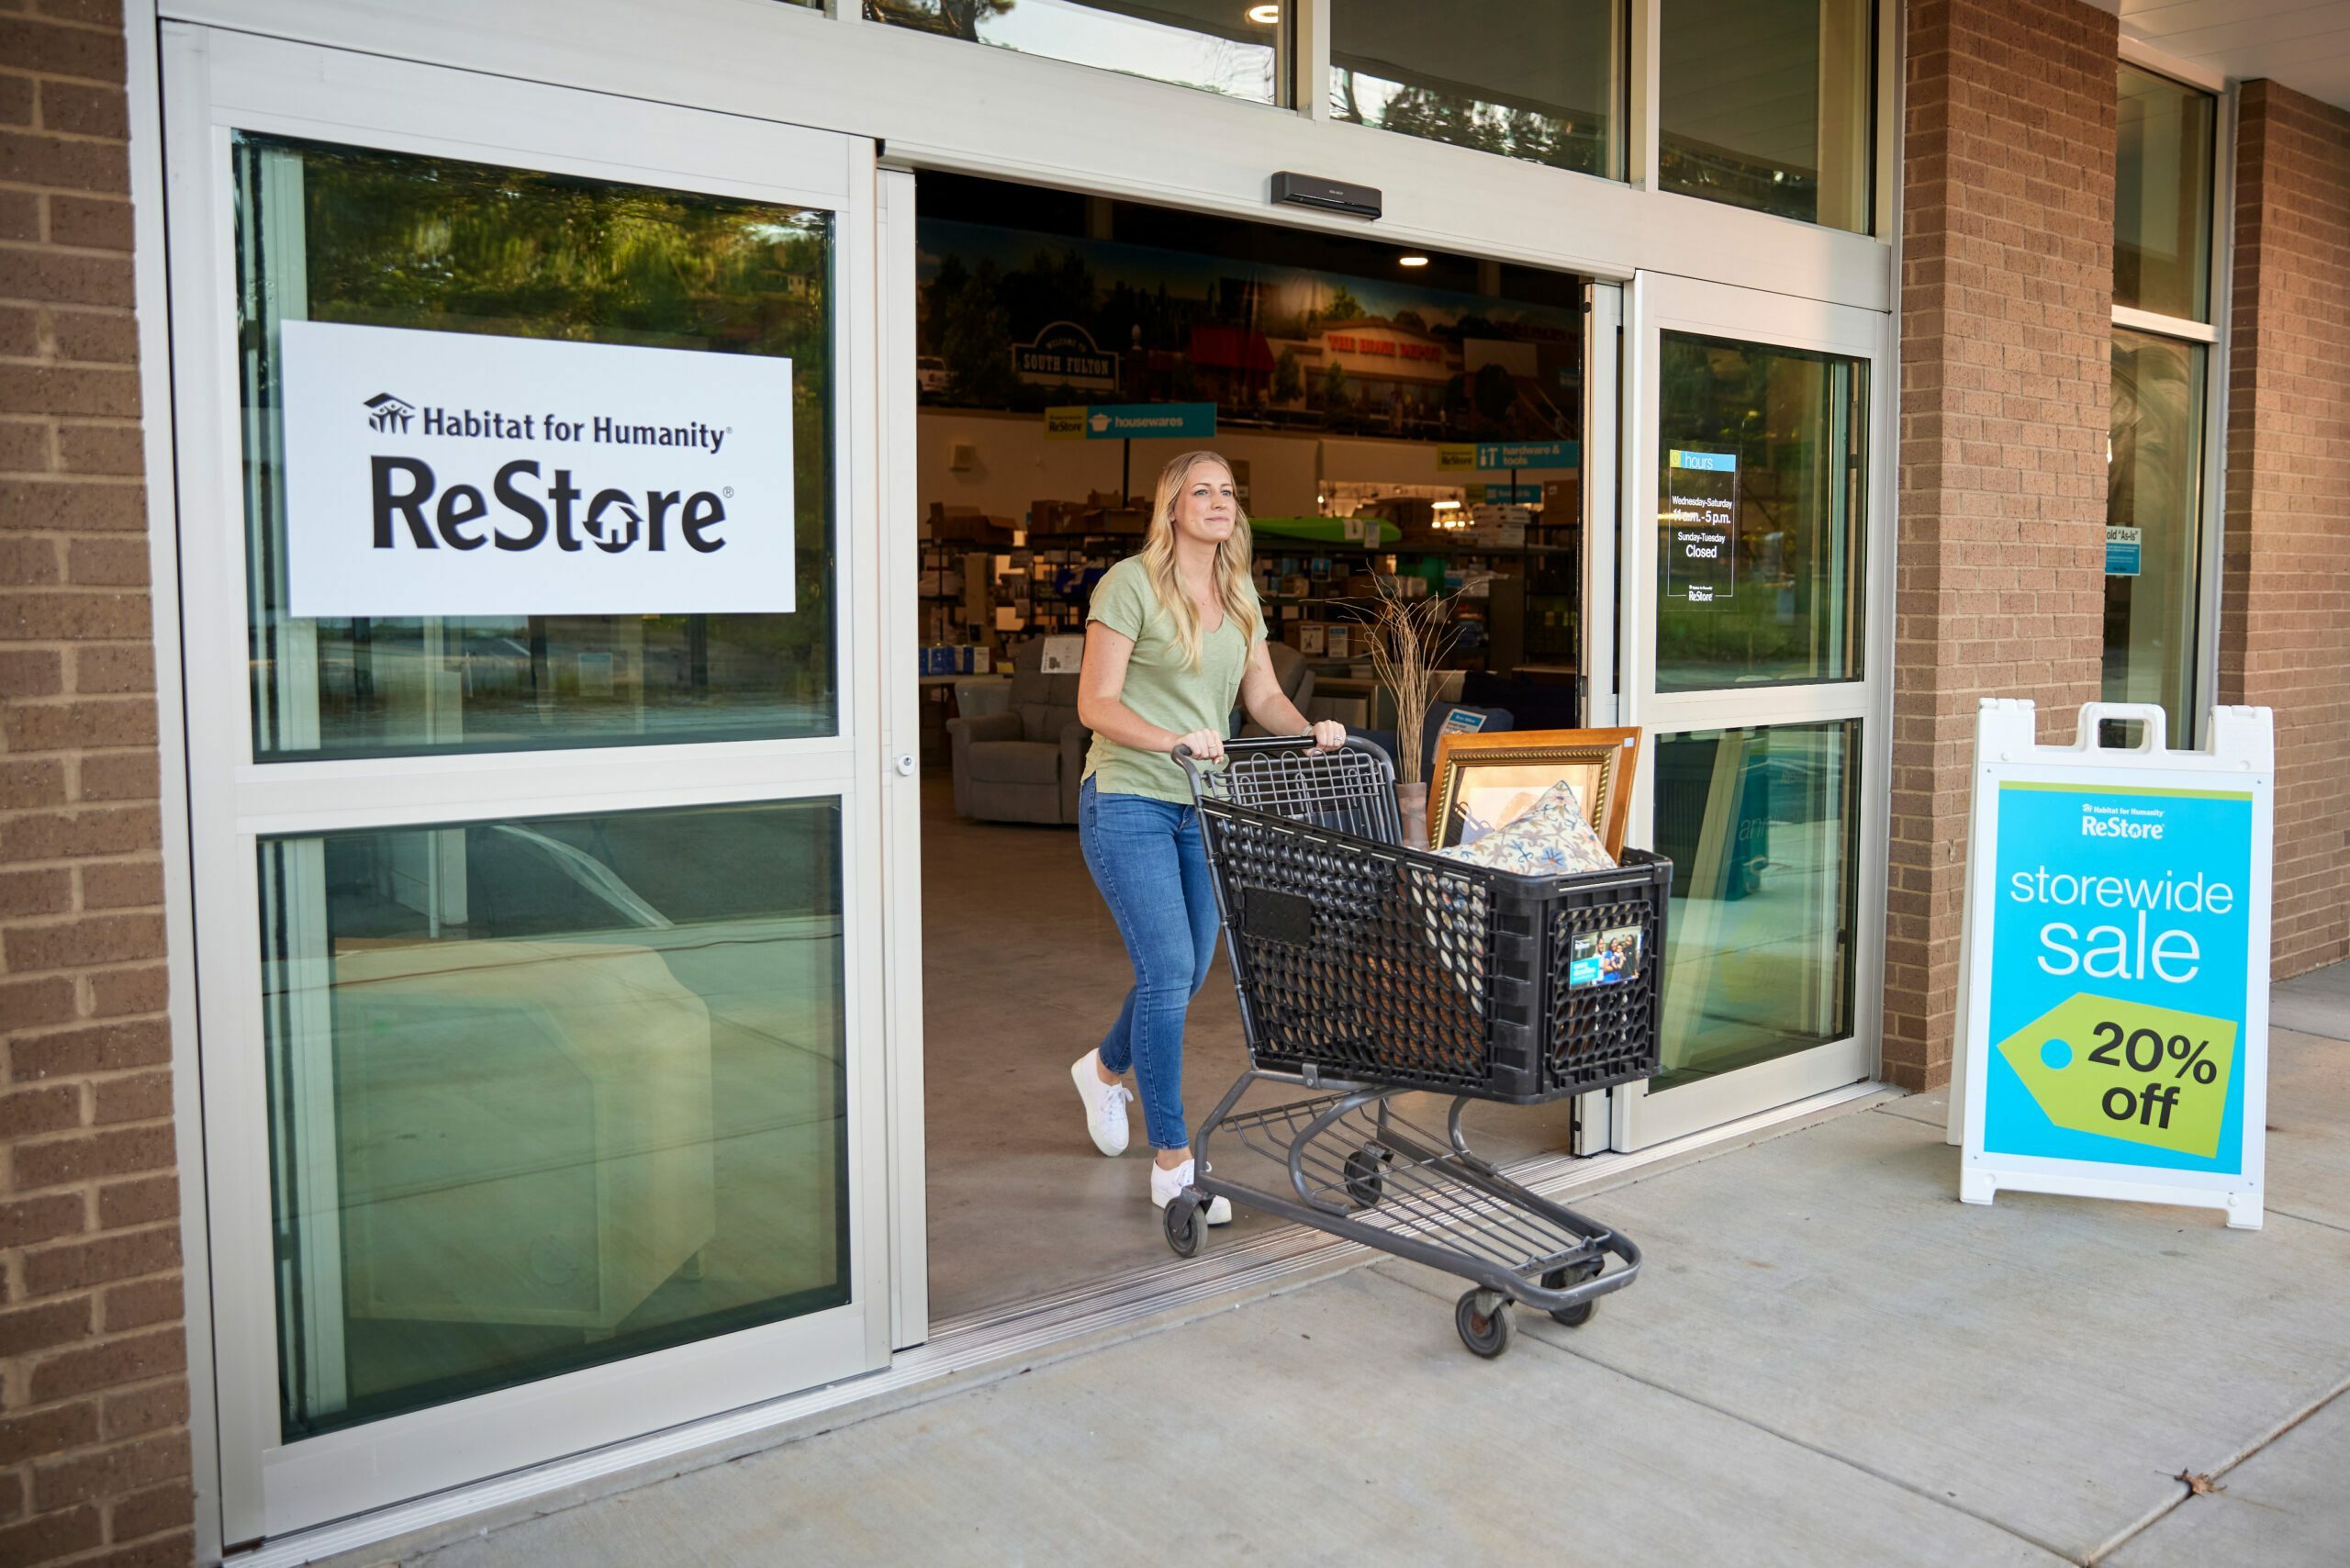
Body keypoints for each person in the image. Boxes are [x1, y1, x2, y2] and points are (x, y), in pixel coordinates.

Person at [1070, 450, 1345, 1226]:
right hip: (1130, 796)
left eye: (1229, 490)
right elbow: (1097, 702)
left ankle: (1103, 1069)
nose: (1219, 501)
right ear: (1172, 507)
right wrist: (1174, 740)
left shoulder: (1239, 589)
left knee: (1188, 974)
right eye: (1203, 490)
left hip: (1204, 802)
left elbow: (1259, 693)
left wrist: (1308, 731)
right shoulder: (1129, 584)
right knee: (1166, 971)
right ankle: (1172, 1163)